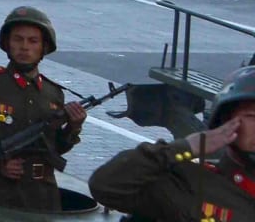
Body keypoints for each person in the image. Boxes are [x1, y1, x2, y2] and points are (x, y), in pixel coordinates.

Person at [0, 5, 88, 211]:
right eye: (18, 39)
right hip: (1, 193)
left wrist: (73, 127)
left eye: (33, 41)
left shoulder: (53, 93)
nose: (25, 47)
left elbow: (55, 147)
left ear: (44, 47)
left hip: (45, 194)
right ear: (7, 43)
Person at [89, 65, 255, 220]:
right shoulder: (191, 183)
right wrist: (186, 147)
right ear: (225, 121)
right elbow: (106, 186)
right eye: (252, 117)